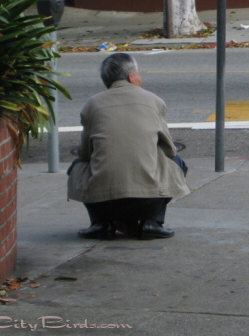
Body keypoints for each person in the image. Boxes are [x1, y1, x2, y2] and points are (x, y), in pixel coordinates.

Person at [68, 53, 190, 240]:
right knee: (177, 162)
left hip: (103, 200)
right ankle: (152, 222)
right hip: (147, 198)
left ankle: (101, 223)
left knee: (76, 166)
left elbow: (85, 154)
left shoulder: (91, 104)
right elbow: (170, 150)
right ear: (131, 77)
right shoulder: (154, 101)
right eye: (139, 73)